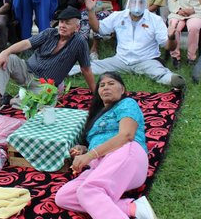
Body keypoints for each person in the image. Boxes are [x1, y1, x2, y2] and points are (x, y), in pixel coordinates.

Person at [55, 72, 157, 219]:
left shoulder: (127, 103)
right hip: (101, 164)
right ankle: (132, 208)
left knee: (89, 190)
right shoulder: (97, 116)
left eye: (111, 83)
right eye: (102, 85)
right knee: (64, 197)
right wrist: (84, 149)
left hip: (126, 153)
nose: (106, 87)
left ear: (122, 89)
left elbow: (126, 136)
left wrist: (90, 155)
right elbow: (96, 143)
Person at [0, 6, 96, 113]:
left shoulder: (80, 43)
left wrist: (95, 92)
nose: (62, 25)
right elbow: (26, 43)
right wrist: (5, 52)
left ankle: (9, 100)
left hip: (44, 85)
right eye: (61, 22)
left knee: (45, 105)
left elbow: (86, 69)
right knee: (9, 59)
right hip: (26, 70)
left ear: (77, 27)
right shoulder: (49, 33)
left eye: (67, 23)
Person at [71, 0, 186, 90]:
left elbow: (168, 46)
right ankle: (64, 71)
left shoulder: (155, 20)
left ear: (145, 4)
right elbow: (98, 28)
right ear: (128, 2)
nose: (136, 4)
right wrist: (90, 10)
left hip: (145, 60)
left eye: (140, 2)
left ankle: (175, 80)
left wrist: (171, 37)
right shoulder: (119, 16)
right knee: (93, 66)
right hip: (120, 60)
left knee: (159, 72)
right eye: (133, 1)